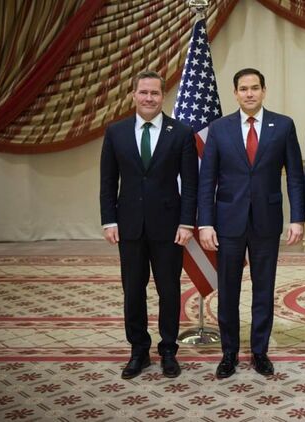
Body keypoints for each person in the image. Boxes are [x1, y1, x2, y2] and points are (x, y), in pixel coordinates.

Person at [198, 68, 305, 379]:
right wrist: (205, 223)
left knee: (264, 289)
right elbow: (207, 180)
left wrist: (297, 218)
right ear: (235, 93)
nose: (249, 93)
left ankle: (260, 351)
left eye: (255, 88)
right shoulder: (219, 128)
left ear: (264, 91)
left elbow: (295, 177)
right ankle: (229, 353)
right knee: (228, 291)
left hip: (266, 222)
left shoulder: (283, 125)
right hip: (227, 223)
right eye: (243, 89)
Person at [100, 70, 198, 379]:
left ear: (163, 96)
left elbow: (191, 184)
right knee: (133, 290)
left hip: (169, 227)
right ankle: (138, 351)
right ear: (133, 95)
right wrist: (109, 220)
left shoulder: (180, 132)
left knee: (169, 291)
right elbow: (108, 181)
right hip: (129, 226)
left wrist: (187, 223)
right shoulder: (116, 132)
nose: (149, 98)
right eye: (143, 92)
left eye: (155, 93)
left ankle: (168, 350)